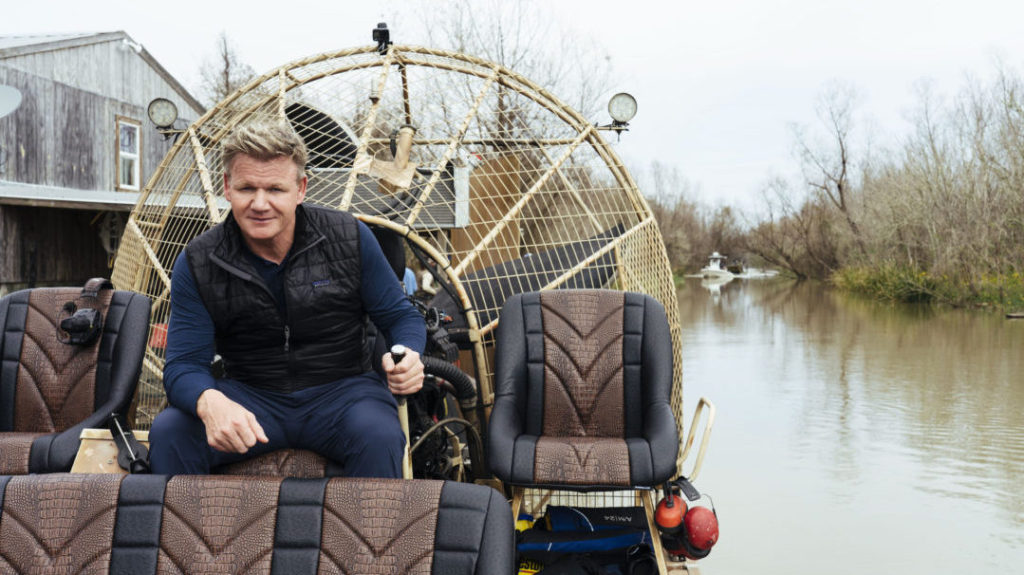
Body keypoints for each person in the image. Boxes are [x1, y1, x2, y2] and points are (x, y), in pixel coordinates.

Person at [149, 120, 425, 477]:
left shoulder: (349, 238)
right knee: (171, 431)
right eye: (247, 188)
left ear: (300, 189)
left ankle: (369, 535)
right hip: (251, 396)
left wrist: (409, 354)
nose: (260, 204)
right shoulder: (199, 261)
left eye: (275, 189)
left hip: (343, 394)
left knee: (380, 434)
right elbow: (184, 364)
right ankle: (183, 535)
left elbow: (400, 316)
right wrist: (209, 401)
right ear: (227, 187)